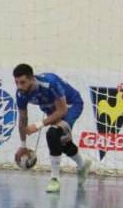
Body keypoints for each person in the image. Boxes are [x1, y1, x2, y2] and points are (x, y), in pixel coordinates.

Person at [13, 63, 91, 193]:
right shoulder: (21, 93)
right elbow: (22, 119)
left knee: (52, 134)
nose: (19, 86)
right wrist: (23, 144)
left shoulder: (50, 83)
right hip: (52, 110)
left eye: (22, 82)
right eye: (16, 82)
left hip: (70, 106)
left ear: (32, 78)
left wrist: (38, 125)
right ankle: (83, 166)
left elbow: (62, 110)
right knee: (61, 142)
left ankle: (54, 179)